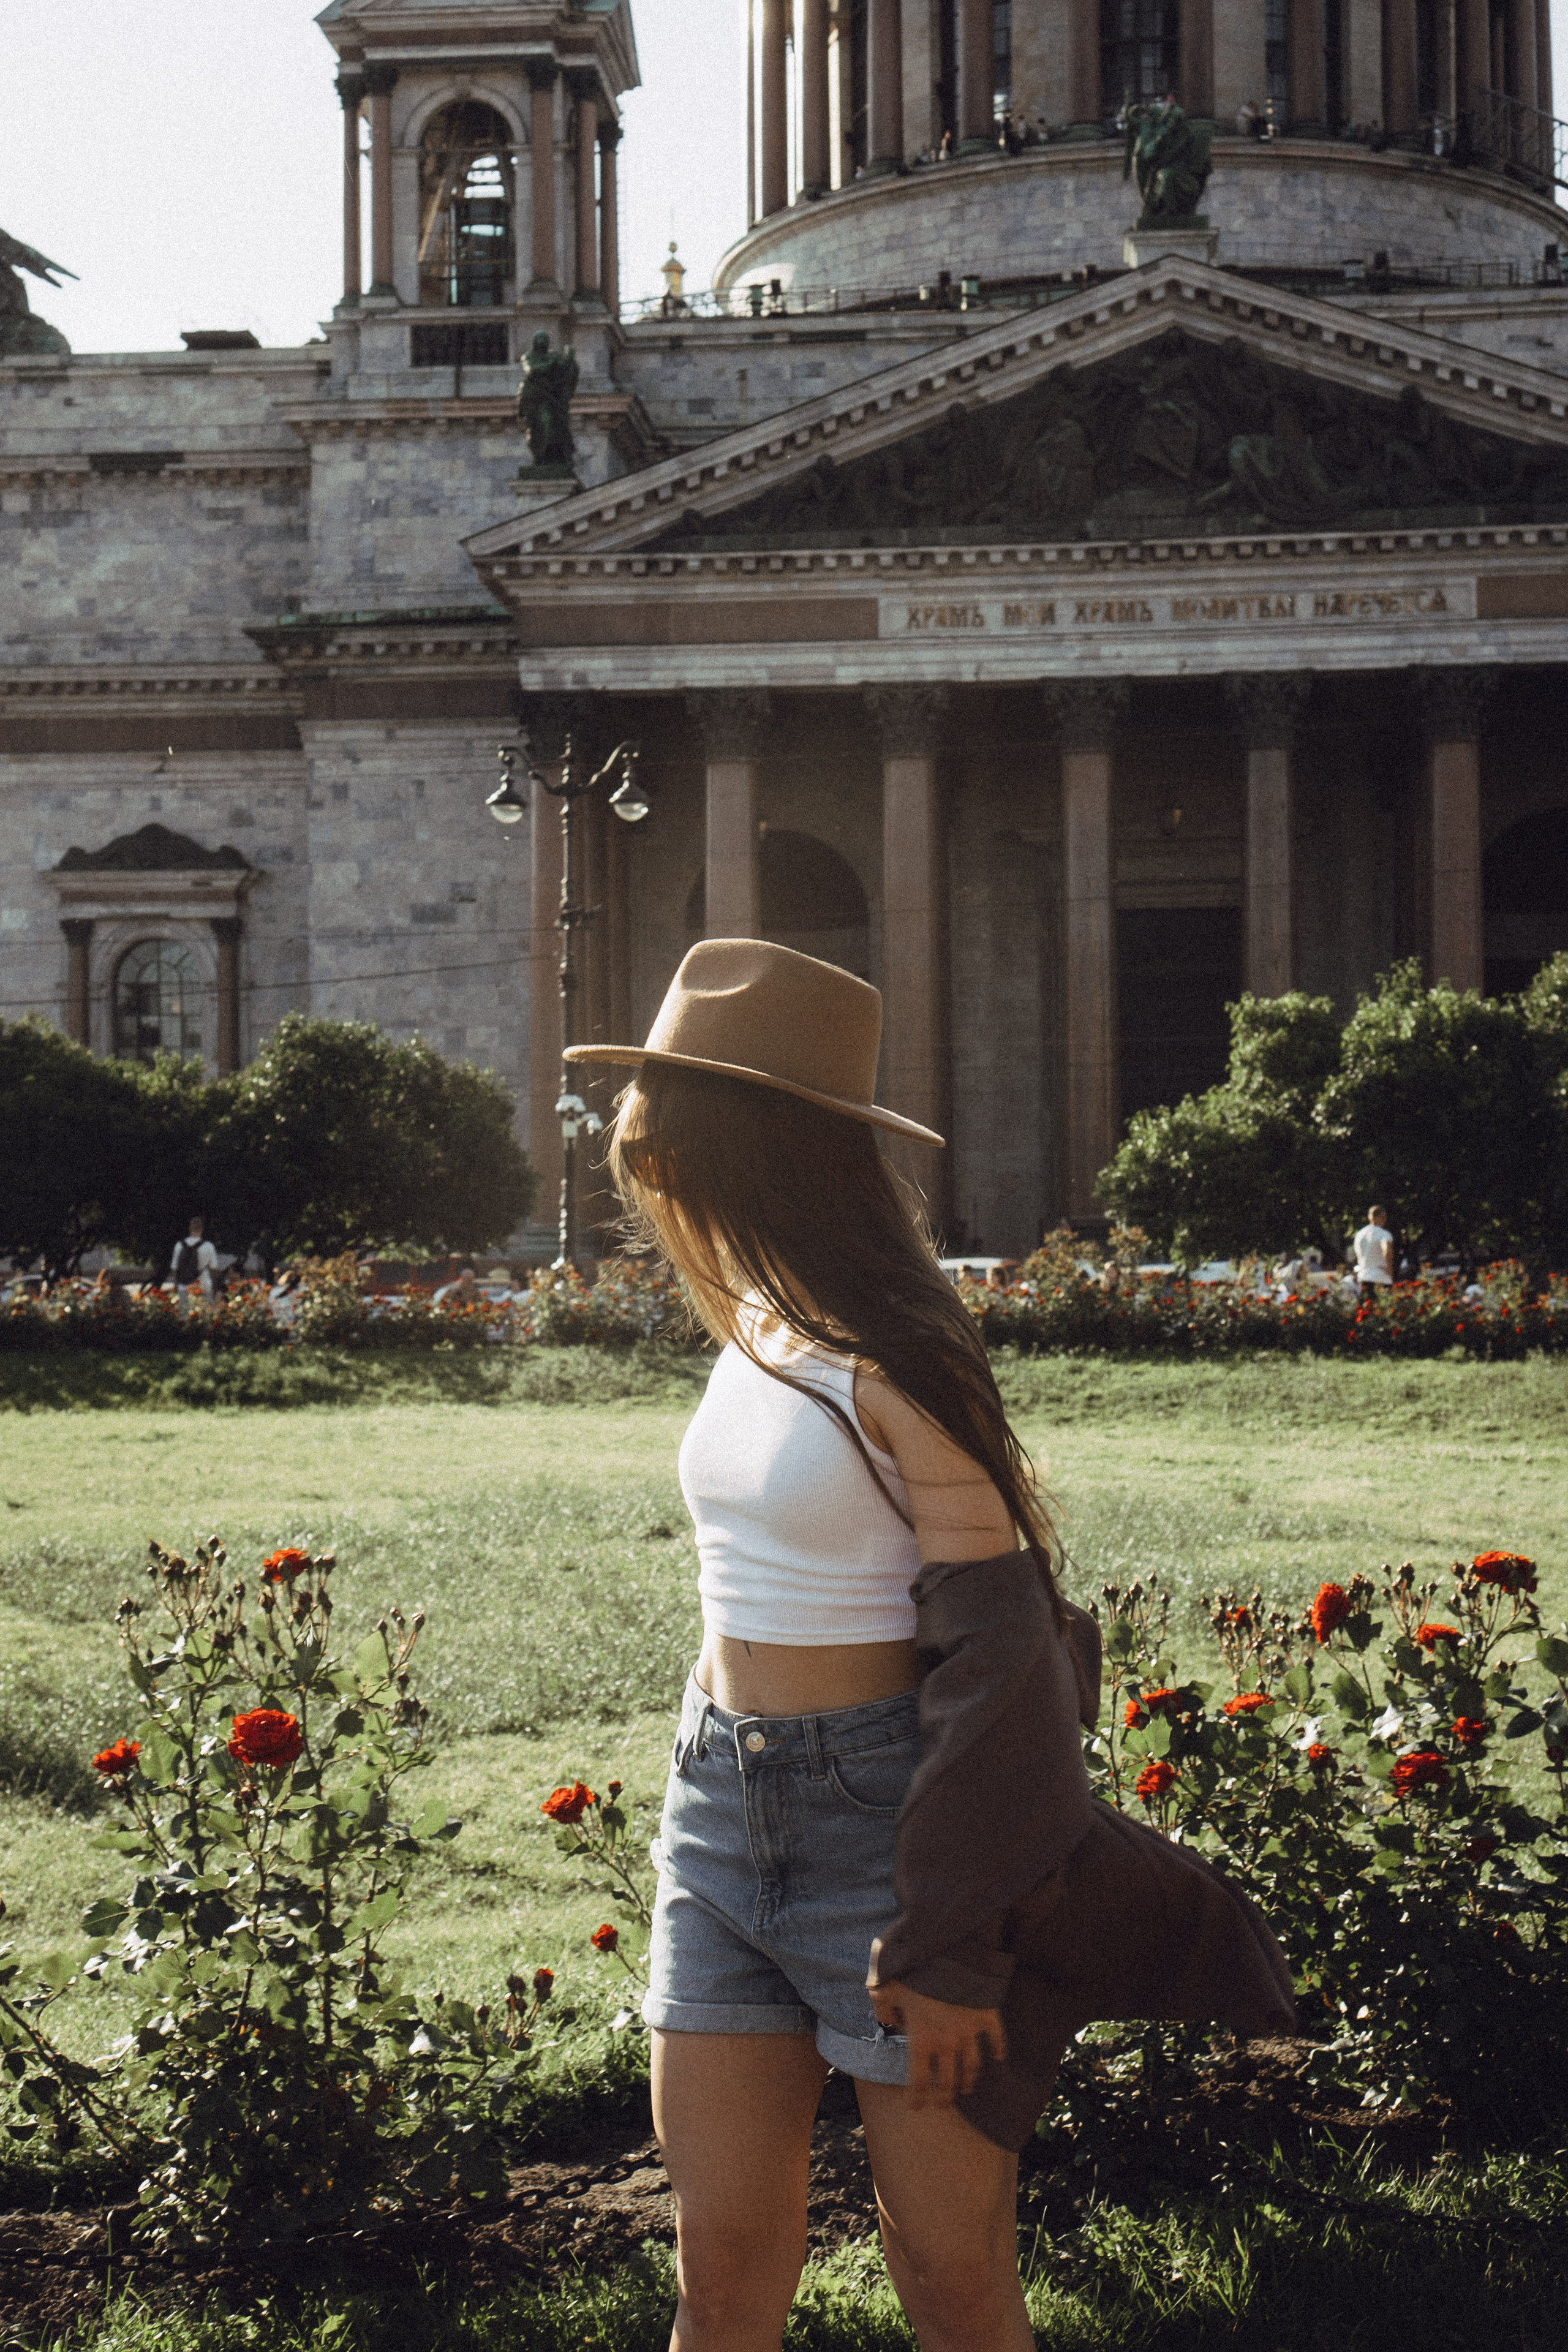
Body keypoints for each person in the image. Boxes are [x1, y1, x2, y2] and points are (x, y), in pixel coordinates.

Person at [569, 939, 1294, 2352]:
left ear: (753, 1146)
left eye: (661, 1136)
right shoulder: (752, 1323)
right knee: (717, 2270)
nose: (639, 1167)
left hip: (890, 1835)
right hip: (715, 1818)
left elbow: (1007, 1664)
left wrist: (957, 1938)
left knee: (949, 2280)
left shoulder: (895, 1353)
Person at [1352, 1205, 1395, 1303]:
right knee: (1383, 1309)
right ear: (1380, 1217)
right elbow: (1387, 1250)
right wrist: (1390, 1270)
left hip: (1364, 1276)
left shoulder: (1360, 1234)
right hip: (1380, 1276)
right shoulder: (1384, 1234)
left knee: (1365, 1309)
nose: (1385, 1220)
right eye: (1384, 1217)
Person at [169, 1218, 217, 1302]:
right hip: (204, 1284)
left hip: (184, 1285)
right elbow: (213, 1268)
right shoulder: (209, 1246)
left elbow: (174, 1268)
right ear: (202, 1229)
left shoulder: (179, 1245)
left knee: (184, 1313)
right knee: (205, 1312)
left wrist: (177, 1284)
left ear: (190, 1228)